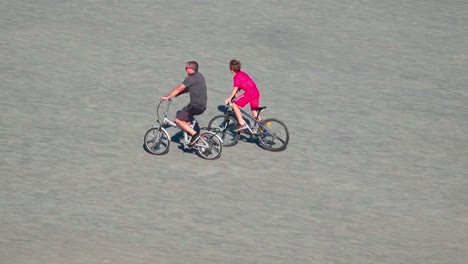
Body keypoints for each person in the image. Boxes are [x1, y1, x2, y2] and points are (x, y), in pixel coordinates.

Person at [161, 61, 207, 146]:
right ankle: (193, 136)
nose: (185, 70)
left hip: (195, 105)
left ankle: (195, 135)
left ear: (190, 69)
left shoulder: (190, 78)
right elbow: (188, 88)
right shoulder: (199, 76)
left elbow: (179, 88)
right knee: (185, 119)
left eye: (186, 68)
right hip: (202, 105)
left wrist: (168, 96)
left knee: (178, 120)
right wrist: (177, 94)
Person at [224, 59, 262, 130]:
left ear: (231, 70)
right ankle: (262, 128)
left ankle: (241, 124)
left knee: (235, 105)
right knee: (254, 111)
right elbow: (241, 85)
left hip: (250, 93)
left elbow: (235, 88)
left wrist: (229, 98)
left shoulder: (236, 77)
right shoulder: (242, 73)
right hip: (256, 92)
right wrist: (236, 94)